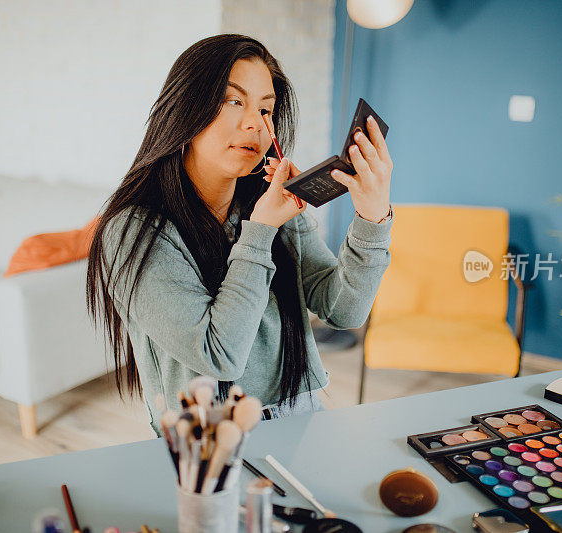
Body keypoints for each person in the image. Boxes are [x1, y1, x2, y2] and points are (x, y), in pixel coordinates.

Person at [86, 34, 394, 436]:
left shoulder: (269, 203)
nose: (255, 123)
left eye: (266, 108)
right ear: (185, 110)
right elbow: (219, 354)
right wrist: (261, 230)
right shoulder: (133, 232)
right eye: (234, 101)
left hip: (301, 411)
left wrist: (372, 218)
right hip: (208, 440)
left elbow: (345, 310)